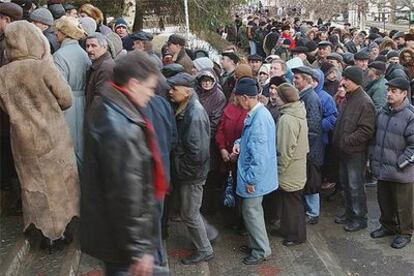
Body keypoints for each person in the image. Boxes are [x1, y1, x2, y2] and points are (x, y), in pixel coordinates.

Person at [0, 21, 79, 249]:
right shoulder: (43, 67)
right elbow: (66, 99)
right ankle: (62, 232)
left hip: (22, 139)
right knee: (58, 183)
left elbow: (5, 108)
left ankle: (42, 234)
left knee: (32, 184)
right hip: (52, 136)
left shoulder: (3, 73)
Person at [81, 50, 161, 276]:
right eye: (150, 87)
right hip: (122, 243)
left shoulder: (110, 104)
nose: (153, 94)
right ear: (134, 84)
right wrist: (139, 249)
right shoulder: (121, 127)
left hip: (114, 235)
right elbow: (126, 193)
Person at [167, 72, 215, 265]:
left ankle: (205, 249)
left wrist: (181, 171)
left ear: (187, 91)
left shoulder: (195, 114)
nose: (170, 92)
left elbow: (198, 153)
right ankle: (210, 235)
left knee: (189, 213)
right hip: (190, 172)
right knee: (190, 211)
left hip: (192, 174)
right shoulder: (187, 107)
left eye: (174, 89)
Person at [232, 77, 278, 265]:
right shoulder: (258, 113)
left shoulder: (258, 119)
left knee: (252, 212)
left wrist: (251, 181)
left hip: (255, 178)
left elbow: (260, 157)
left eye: (237, 98)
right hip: (256, 176)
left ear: (245, 97)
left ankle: (261, 251)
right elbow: (250, 142)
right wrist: (238, 144)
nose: (235, 102)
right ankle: (256, 244)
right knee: (252, 212)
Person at [369, 77, 414, 249]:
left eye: (394, 91)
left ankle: (405, 232)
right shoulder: (383, 112)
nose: (389, 93)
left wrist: (400, 164)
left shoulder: (410, 115)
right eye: (389, 90)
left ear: (403, 93)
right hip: (382, 168)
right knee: (384, 200)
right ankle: (387, 226)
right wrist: (374, 158)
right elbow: (375, 138)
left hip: (401, 172)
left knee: (404, 206)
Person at [333, 66, 376, 232]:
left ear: (356, 82)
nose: (343, 82)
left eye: (347, 79)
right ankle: (349, 213)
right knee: (345, 184)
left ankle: (359, 218)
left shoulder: (365, 102)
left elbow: (366, 130)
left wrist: (347, 140)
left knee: (355, 185)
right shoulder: (350, 97)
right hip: (344, 150)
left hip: (355, 152)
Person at [53, 16, 91, 168]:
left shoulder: (59, 56)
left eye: (58, 31)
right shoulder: (83, 53)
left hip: (67, 104)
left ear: (64, 33)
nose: (56, 34)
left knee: (68, 144)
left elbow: (58, 86)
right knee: (81, 143)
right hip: (83, 101)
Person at [274, 83, 308, 247]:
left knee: (292, 204)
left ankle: (296, 235)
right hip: (298, 165)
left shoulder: (287, 119)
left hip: (290, 169)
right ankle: (288, 230)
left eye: (278, 96)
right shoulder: (298, 112)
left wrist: (279, 170)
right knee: (291, 202)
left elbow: (285, 149)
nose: (275, 97)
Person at [292, 66, 323, 225]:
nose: (294, 80)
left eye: (297, 78)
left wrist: (304, 147)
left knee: (311, 181)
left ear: (306, 80)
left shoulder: (311, 98)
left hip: (310, 150)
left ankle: (313, 213)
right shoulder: (303, 96)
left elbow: (314, 127)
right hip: (306, 148)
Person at [85, 32, 115, 109]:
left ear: (104, 47)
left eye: (93, 46)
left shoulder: (106, 67)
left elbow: (101, 100)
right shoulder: (98, 65)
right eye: (87, 46)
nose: (89, 49)